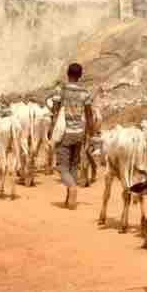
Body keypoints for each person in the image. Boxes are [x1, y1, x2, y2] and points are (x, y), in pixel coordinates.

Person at [52, 62, 96, 209]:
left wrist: (52, 129)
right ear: (80, 75)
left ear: (67, 73)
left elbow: (55, 111)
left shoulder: (61, 90)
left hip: (65, 133)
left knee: (61, 167)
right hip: (79, 134)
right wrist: (92, 134)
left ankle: (72, 187)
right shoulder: (85, 92)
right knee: (74, 165)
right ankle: (69, 200)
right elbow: (89, 116)